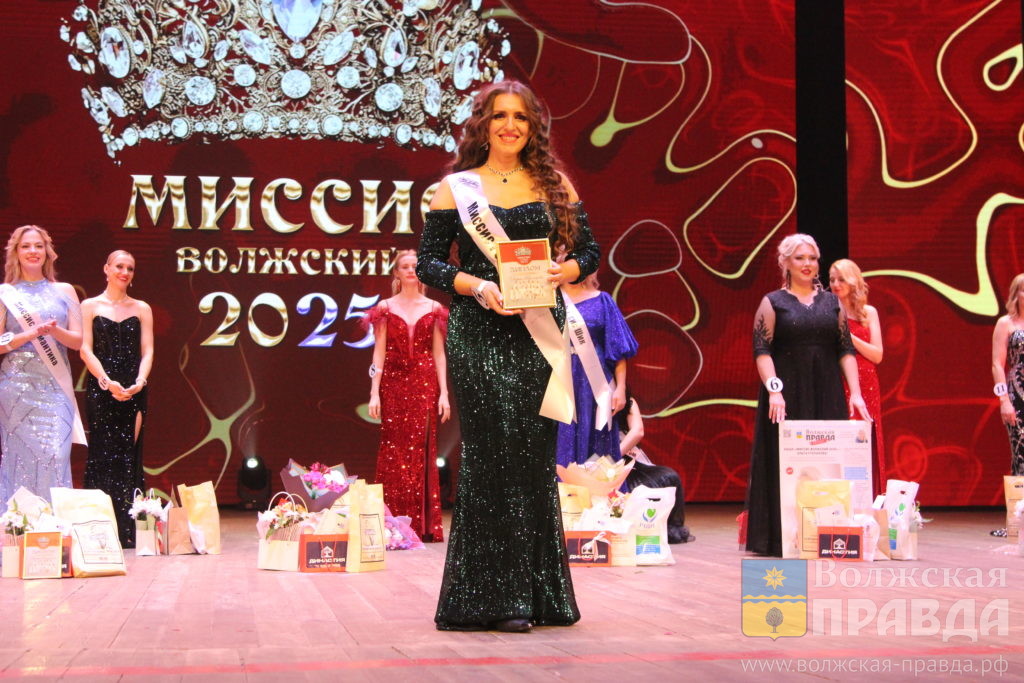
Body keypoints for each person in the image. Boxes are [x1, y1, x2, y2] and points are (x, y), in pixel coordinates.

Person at [417, 80, 599, 632]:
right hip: (478, 330)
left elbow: (589, 252)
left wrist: (564, 271)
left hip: (537, 332)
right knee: (491, 453)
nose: (510, 126)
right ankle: (490, 597)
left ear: (532, 127)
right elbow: (429, 264)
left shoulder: (553, 184)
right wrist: (476, 285)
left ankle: (539, 594)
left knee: (530, 456)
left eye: (520, 117)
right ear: (483, 124)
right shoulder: (456, 189)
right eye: (500, 116)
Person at [745, 234, 870, 557]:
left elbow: (845, 349)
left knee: (828, 461)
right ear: (785, 262)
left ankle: (827, 533)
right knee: (785, 463)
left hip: (826, 390)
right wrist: (775, 390)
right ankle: (780, 538)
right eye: (800, 258)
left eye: (812, 258)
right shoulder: (773, 302)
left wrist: (856, 393)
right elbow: (762, 350)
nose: (807, 264)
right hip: (786, 394)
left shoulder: (832, 303)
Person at [366, 249, 450, 542]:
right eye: (405, 266)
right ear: (397, 273)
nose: (411, 270)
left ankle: (421, 524)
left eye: (415, 266)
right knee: (394, 450)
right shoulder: (385, 308)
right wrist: (374, 393)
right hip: (393, 382)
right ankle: (392, 524)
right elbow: (379, 352)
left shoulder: (434, 308)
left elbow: (439, 355)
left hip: (424, 383)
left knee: (420, 449)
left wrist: (444, 394)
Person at [0, 225, 83, 510]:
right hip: (16, 387)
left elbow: (77, 341)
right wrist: (29, 335)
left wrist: (53, 331)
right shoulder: (6, 293)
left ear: (47, 251)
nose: (33, 251)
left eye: (38, 246)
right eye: (26, 246)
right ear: (16, 252)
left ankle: (54, 527)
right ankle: (17, 527)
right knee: (19, 458)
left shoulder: (65, 291)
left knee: (56, 456)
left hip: (55, 387)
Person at [79, 250, 153, 548]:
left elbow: (148, 350)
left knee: (128, 456)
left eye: (130, 268)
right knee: (102, 455)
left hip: (134, 390)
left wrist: (139, 382)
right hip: (102, 388)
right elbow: (85, 349)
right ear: (106, 269)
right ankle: (98, 530)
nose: (124, 272)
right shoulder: (89, 306)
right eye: (119, 266)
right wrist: (107, 382)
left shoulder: (142, 308)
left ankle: (128, 529)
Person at [556, 273, 637, 467]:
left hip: (596, 383)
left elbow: (618, 349)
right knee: (562, 439)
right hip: (560, 381)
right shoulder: (548, 301)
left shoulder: (603, 301)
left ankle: (599, 485)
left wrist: (621, 388)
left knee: (599, 437)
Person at [829, 259, 886, 496]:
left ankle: (869, 497)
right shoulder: (828, 311)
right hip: (837, 378)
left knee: (865, 436)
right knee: (841, 436)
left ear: (853, 281)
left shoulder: (868, 312)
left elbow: (877, 355)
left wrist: (849, 337)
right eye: (832, 279)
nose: (835, 284)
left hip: (866, 382)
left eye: (841, 279)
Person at [616, 394, 694, 543]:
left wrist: (614, 455)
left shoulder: (627, 400)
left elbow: (638, 431)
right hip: (592, 464)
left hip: (627, 463)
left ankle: (668, 529)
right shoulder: (583, 401)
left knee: (669, 477)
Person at [990, 273, 1024, 537]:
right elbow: (997, 365)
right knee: (1020, 456)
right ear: (1016, 294)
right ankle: (1017, 523)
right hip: (1017, 395)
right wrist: (1003, 400)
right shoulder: (1006, 323)